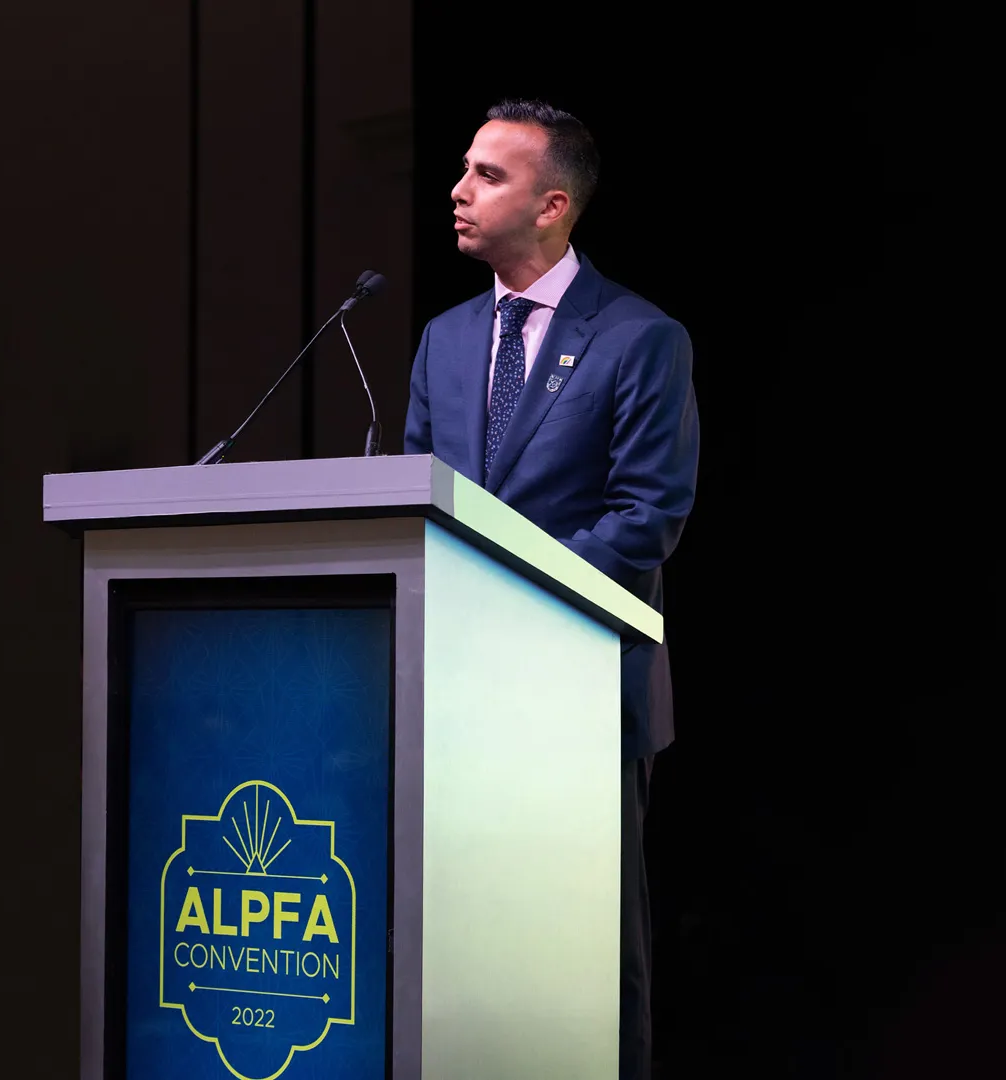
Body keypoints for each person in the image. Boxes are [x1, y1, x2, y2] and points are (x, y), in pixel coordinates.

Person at [403, 99, 699, 1079]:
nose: (458, 189)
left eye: (488, 174)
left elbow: (647, 515)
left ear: (553, 205)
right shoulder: (445, 339)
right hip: (455, 693)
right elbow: (418, 499)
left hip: (582, 689)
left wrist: (506, 592)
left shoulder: (639, 337)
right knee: (462, 951)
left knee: (590, 959)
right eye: (464, 167)